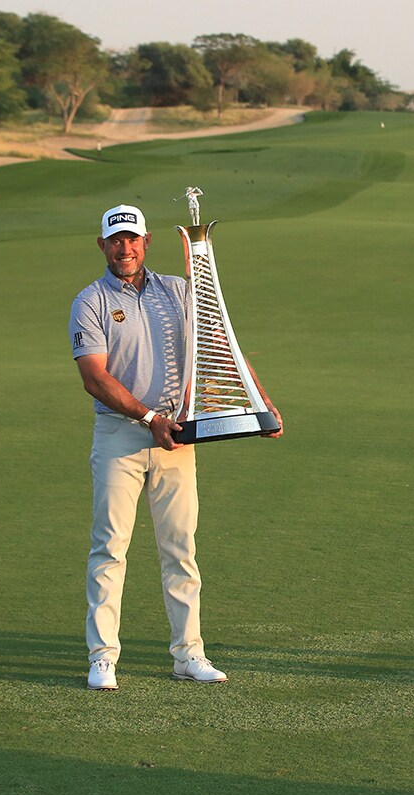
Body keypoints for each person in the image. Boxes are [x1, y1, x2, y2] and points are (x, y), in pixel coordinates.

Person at [69, 203, 281, 691]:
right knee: (110, 547)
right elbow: (94, 378)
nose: (124, 248)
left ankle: (189, 654)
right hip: (122, 434)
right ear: (102, 245)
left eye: (132, 239)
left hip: (177, 437)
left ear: (146, 242)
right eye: (115, 240)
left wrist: (262, 405)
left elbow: (221, 343)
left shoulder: (181, 291)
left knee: (181, 548)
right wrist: (148, 417)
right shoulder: (91, 301)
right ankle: (103, 657)